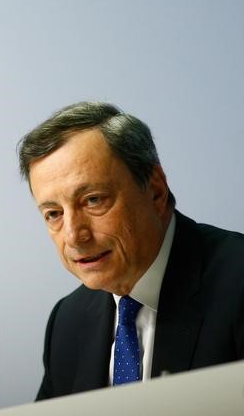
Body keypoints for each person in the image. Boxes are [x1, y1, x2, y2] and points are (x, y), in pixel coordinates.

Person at [17, 101, 244, 400]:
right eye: (53, 214)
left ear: (155, 191)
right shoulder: (67, 321)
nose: (74, 236)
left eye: (93, 200)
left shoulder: (238, 281)